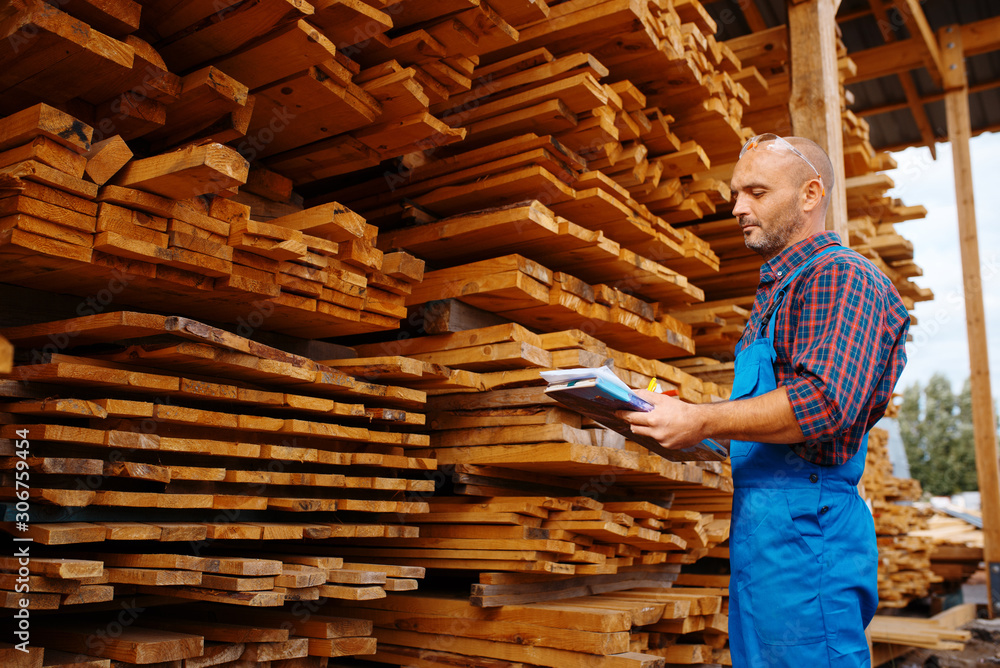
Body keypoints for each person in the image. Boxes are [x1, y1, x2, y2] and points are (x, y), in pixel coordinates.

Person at [622, 134, 910, 666]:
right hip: (765, 533)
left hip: (808, 531)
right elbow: (768, 409)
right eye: (736, 194)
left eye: (756, 191)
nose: (738, 208)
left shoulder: (841, 276)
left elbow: (823, 402)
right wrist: (682, 415)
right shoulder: (782, 287)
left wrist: (702, 419)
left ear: (810, 194)